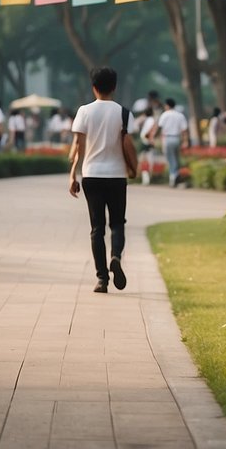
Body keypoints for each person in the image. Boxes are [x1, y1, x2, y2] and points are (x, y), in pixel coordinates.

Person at [68, 66, 137, 294]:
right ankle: (115, 256)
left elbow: (78, 146)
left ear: (94, 87)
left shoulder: (84, 111)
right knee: (117, 223)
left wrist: (72, 175)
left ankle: (101, 279)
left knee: (97, 228)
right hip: (117, 176)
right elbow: (129, 145)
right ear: (114, 87)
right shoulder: (125, 113)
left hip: (92, 175)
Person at [150, 98, 189, 187]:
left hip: (167, 138)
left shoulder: (165, 115)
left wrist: (153, 137)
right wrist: (185, 141)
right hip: (177, 138)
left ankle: (173, 176)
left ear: (167, 105)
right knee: (176, 158)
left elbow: (159, 127)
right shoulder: (180, 115)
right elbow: (184, 130)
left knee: (170, 158)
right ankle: (176, 176)